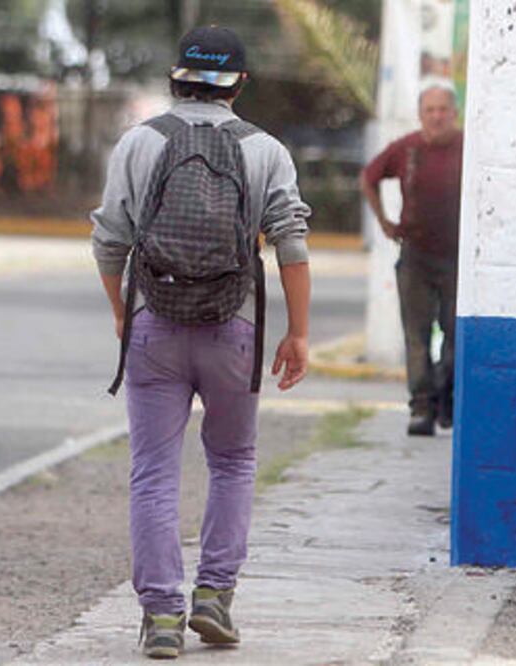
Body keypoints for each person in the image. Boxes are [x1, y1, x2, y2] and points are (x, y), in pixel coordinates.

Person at [91, 26, 311, 659]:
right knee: (234, 461)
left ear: (174, 77)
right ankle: (214, 595)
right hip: (234, 329)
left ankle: (161, 617)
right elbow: (291, 242)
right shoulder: (265, 149)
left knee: (153, 471)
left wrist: (120, 314)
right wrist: (297, 334)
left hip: (153, 324)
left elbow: (109, 242)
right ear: (239, 84)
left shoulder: (139, 142)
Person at [360, 84, 463, 437]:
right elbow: (368, 178)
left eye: (443, 109)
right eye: (430, 109)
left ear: (454, 113)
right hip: (416, 257)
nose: (437, 116)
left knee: (457, 335)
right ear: (421, 115)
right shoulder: (406, 148)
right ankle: (421, 408)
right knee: (416, 337)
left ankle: (447, 399)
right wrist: (385, 223)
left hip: (458, 259)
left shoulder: (469, 147)